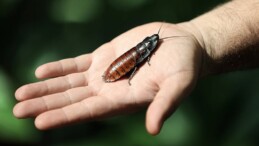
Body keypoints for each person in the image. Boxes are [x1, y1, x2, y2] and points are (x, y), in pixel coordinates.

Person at [13, 0, 259, 135]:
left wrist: (197, 36)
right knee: (132, 62)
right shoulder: (145, 49)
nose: (156, 42)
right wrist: (197, 34)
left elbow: (145, 53)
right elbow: (143, 55)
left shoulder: (149, 47)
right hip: (122, 63)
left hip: (130, 59)